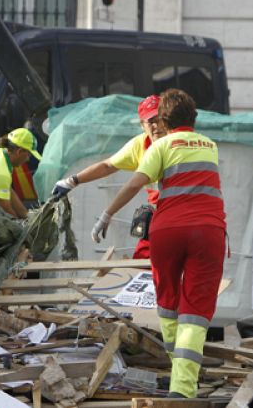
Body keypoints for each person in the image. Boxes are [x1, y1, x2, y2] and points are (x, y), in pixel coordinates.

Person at [90, 89, 226, 399]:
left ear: (163, 120)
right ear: (194, 117)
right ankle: (183, 386)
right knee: (196, 311)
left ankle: (176, 363)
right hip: (208, 232)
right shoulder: (210, 145)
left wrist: (106, 215)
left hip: (167, 232)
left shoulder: (160, 146)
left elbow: (135, 183)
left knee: (167, 302)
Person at [52, 95, 165, 258]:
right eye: (150, 121)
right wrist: (73, 180)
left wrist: (107, 214)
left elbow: (134, 186)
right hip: (161, 213)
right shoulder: (140, 145)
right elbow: (108, 165)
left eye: (160, 119)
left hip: (182, 212)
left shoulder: (177, 143)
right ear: (142, 125)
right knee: (143, 260)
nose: (156, 125)